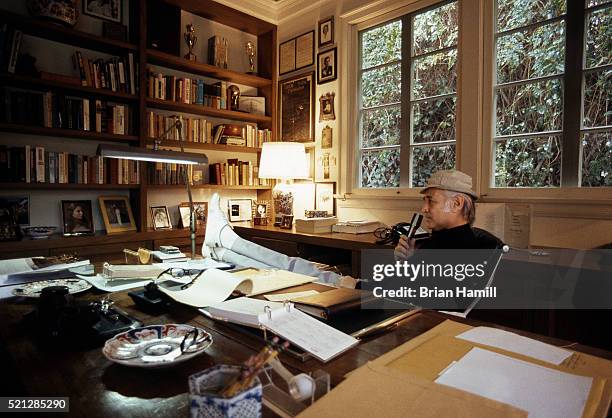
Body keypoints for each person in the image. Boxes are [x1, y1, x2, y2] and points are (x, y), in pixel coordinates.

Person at [202, 193, 356, 288]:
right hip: (352, 283)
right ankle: (222, 249)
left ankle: (224, 246)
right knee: (285, 268)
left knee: (282, 271)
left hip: (349, 287)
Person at [394, 169, 502, 260]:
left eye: (431, 201)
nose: (424, 209)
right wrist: (407, 260)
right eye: (425, 201)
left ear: (456, 203)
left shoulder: (455, 252)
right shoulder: (437, 242)